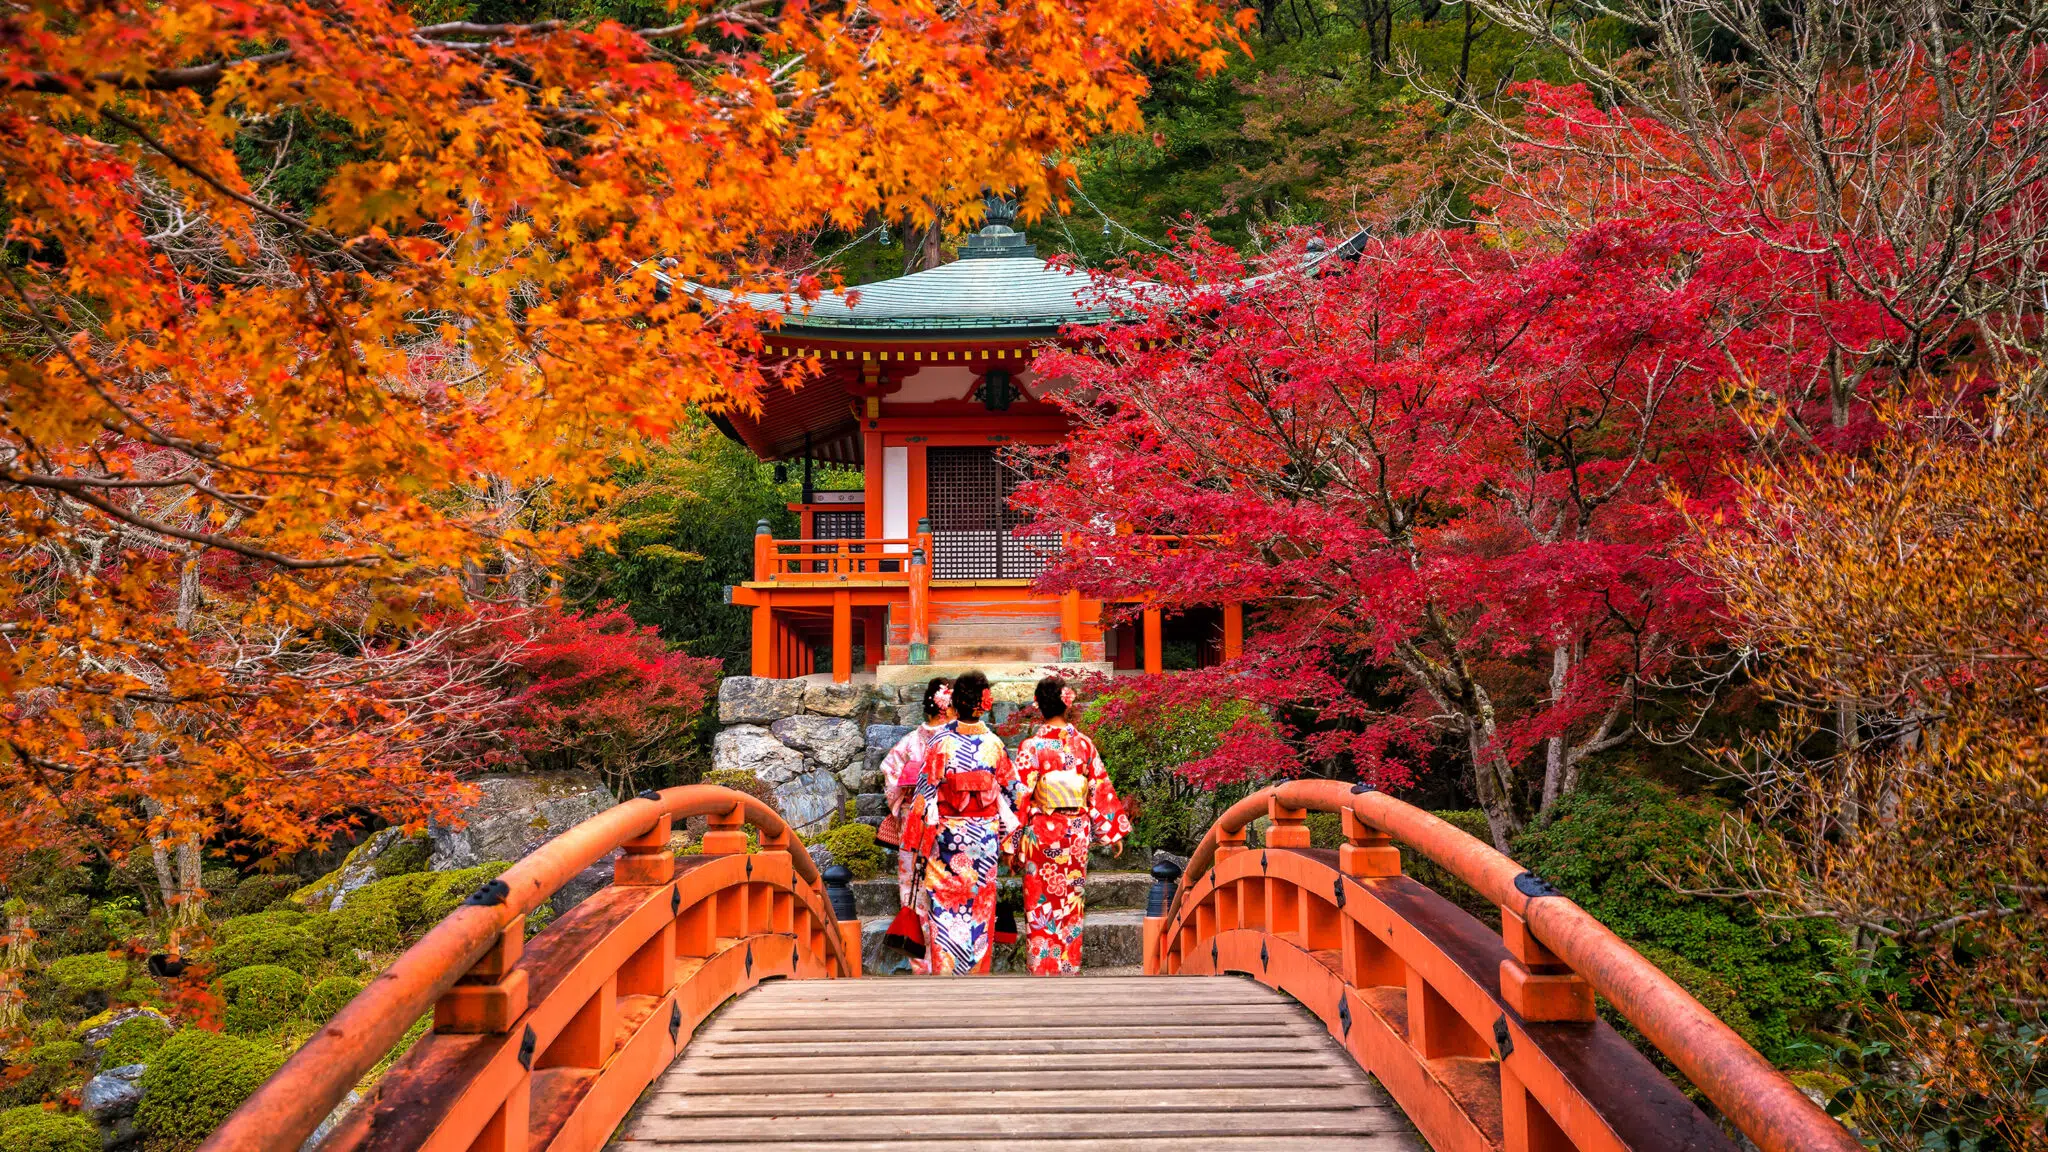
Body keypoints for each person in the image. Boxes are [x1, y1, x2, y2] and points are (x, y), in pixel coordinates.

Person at [901, 670, 1021, 975]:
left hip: (947, 842)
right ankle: (977, 976)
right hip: (983, 841)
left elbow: (924, 794)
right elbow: (1013, 795)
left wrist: (916, 844)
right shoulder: (994, 745)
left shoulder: (940, 742)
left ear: (957, 702)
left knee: (945, 911)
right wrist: (1011, 843)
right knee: (980, 912)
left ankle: (946, 976)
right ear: (983, 704)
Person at [1014, 675, 1130, 976]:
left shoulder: (1031, 747)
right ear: (1068, 704)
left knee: (1040, 901)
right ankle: (1069, 966)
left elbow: (1020, 798)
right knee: (1070, 902)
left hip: (1040, 833)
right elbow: (1098, 788)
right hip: (1075, 834)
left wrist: (1011, 843)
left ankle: (1042, 967)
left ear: (1038, 705)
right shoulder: (1084, 746)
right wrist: (1111, 831)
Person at [878, 677, 951, 971]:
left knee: (915, 888)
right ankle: (947, 960)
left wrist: (903, 801)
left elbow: (890, 777)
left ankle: (922, 963)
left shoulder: (909, 742)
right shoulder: (960, 742)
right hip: (950, 819)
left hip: (914, 818)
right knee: (947, 886)